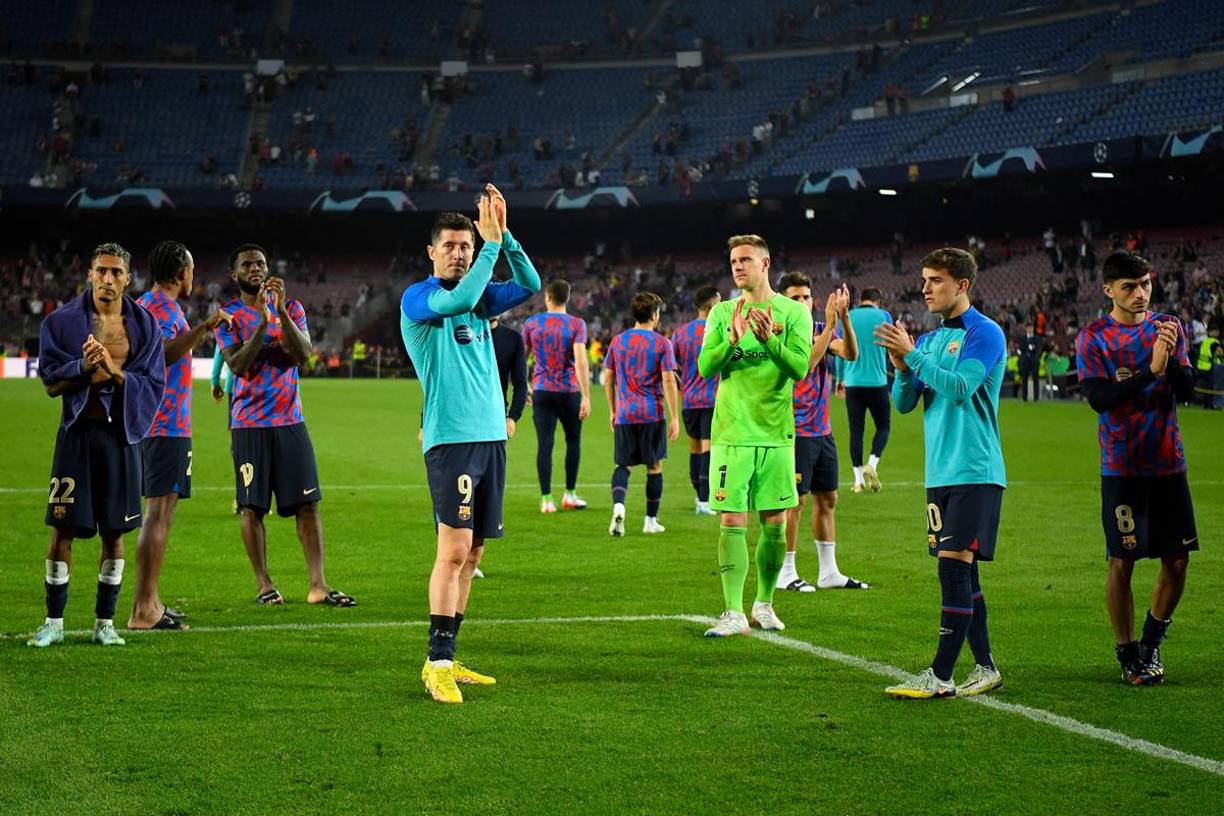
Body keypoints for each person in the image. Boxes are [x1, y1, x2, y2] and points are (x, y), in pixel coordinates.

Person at [401, 186, 541, 704]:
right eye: (452, 245)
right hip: (452, 441)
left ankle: (449, 655)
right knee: (453, 548)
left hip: (490, 439)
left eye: (466, 244)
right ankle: (435, 662)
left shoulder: (482, 294)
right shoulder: (419, 299)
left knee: (475, 550)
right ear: (432, 252)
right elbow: (457, 299)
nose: (460, 251)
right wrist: (488, 248)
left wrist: (505, 238)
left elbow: (530, 282)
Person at [875, 248, 1007, 698]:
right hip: (941, 473)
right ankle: (985, 667)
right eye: (925, 280)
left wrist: (911, 358)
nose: (926, 288)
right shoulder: (931, 341)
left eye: (935, 280)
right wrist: (900, 367)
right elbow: (905, 403)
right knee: (964, 575)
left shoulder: (984, 334)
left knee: (952, 570)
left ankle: (941, 675)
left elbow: (959, 387)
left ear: (962, 285)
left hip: (975, 468)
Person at [28, 243, 166, 649]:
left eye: (116, 272)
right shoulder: (61, 323)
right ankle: (53, 622)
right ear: (89, 274)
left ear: (128, 278)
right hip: (76, 436)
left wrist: (113, 370)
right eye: (101, 271)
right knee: (62, 529)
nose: (108, 279)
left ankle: (104, 623)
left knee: (116, 533)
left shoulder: (145, 326)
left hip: (120, 439)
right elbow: (52, 383)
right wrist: (84, 368)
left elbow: (153, 386)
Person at [1075, 251, 1198, 685]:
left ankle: (1150, 643)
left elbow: (1186, 390)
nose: (1140, 293)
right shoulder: (1094, 338)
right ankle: (1127, 654)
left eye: (1145, 284)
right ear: (1108, 290)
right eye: (1129, 286)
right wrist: (1150, 370)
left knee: (1178, 560)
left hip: (1168, 463)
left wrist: (1175, 357)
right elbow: (1099, 399)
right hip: (1122, 467)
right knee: (1122, 560)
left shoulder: (1168, 328)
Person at [215, 244, 355, 609]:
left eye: (260, 263)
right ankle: (263, 583)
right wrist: (262, 324)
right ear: (235, 275)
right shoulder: (228, 316)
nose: (256, 269)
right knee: (252, 507)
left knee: (308, 504)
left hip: (291, 421)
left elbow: (303, 352)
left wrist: (278, 313)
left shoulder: (291, 308)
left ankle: (318, 585)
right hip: (249, 424)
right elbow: (239, 365)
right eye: (247, 264)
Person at [698, 235, 811, 637]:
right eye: (733, 260)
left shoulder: (792, 313)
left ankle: (764, 603)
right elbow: (706, 367)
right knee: (731, 518)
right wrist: (731, 339)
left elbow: (799, 368)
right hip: (731, 434)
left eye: (745, 259)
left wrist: (769, 341)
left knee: (775, 523)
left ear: (766, 263)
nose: (738, 266)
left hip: (776, 435)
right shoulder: (722, 313)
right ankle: (733, 611)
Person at [129, 240, 232, 630]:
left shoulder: (147, 306)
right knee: (157, 515)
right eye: (191, 269)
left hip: (160, 424)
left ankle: (152, 599)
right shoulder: (160, 309)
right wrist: (204, 328)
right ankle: (142, 609)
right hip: (163, 425)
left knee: (164, 515)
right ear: (180, 273)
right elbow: (162, 354)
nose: (194, 276)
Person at [777, 275, 869, 592]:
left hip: (821, 428)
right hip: (794, 429)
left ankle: (828, 572)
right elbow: (804, 365)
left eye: (806, 297)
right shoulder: (778, 332)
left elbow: (852, 354)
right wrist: (830, 325)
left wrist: (843, 318)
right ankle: (785, 572)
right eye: (795, 297)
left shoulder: (820, 329)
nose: (802, 303)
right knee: (795, 502)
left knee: (828, 498)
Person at [603, 292, 680, 536]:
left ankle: (619, 506)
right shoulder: (661, 343)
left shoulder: (618, 341)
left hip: (625, 414)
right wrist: (675, 416)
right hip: (651, 414)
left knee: (622, 465)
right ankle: (650, 521)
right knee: (654, 467)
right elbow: (669, 379)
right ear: (655, 315)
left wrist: (613, 410)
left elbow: (608, 377)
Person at [522, 279, 590, 513]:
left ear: (547, 298)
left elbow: (521, 359)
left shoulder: (532, 324)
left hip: (542, 391)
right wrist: (587, 396)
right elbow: (581, 360)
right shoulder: (577, 324)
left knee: (545, 444)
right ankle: (569, 494)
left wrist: (526, 388)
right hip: (569, 391)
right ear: (567, 298)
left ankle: (546, 499)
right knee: (573, 441)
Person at [671, 284, 721, 516]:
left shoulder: (681, 333)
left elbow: (670, 368)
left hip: (689, 400)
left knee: (694, 450)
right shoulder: (720, 329)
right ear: (711, 306)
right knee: (708, 450)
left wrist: (684, 384)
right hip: (712, 400)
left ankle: (698, 496)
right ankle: (704, 500)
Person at [839, 287, 893, 493]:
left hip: (852, 383)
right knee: (883, 427)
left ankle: (858, 481)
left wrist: (841, 378)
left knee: (856, 432)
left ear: (861, 299)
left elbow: (842, 348)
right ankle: (873, 462)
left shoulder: (848, 316)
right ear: (877, 301)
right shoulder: (884, 316)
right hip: (877, 382)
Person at [1017, 322, 1040, 401]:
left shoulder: (1037, 338)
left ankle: (1036, 397)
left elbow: (1038, 349)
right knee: (1024, 379)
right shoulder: (1022, 338)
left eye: (1031, 328)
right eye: (1029, 328)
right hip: (1025, 360)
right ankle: (1024, 397)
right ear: (1026, 329)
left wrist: (1033, 349)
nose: (1030, 329)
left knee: (1035, 378)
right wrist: (1028, 348)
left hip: (1034, 360)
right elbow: (1020, 348)